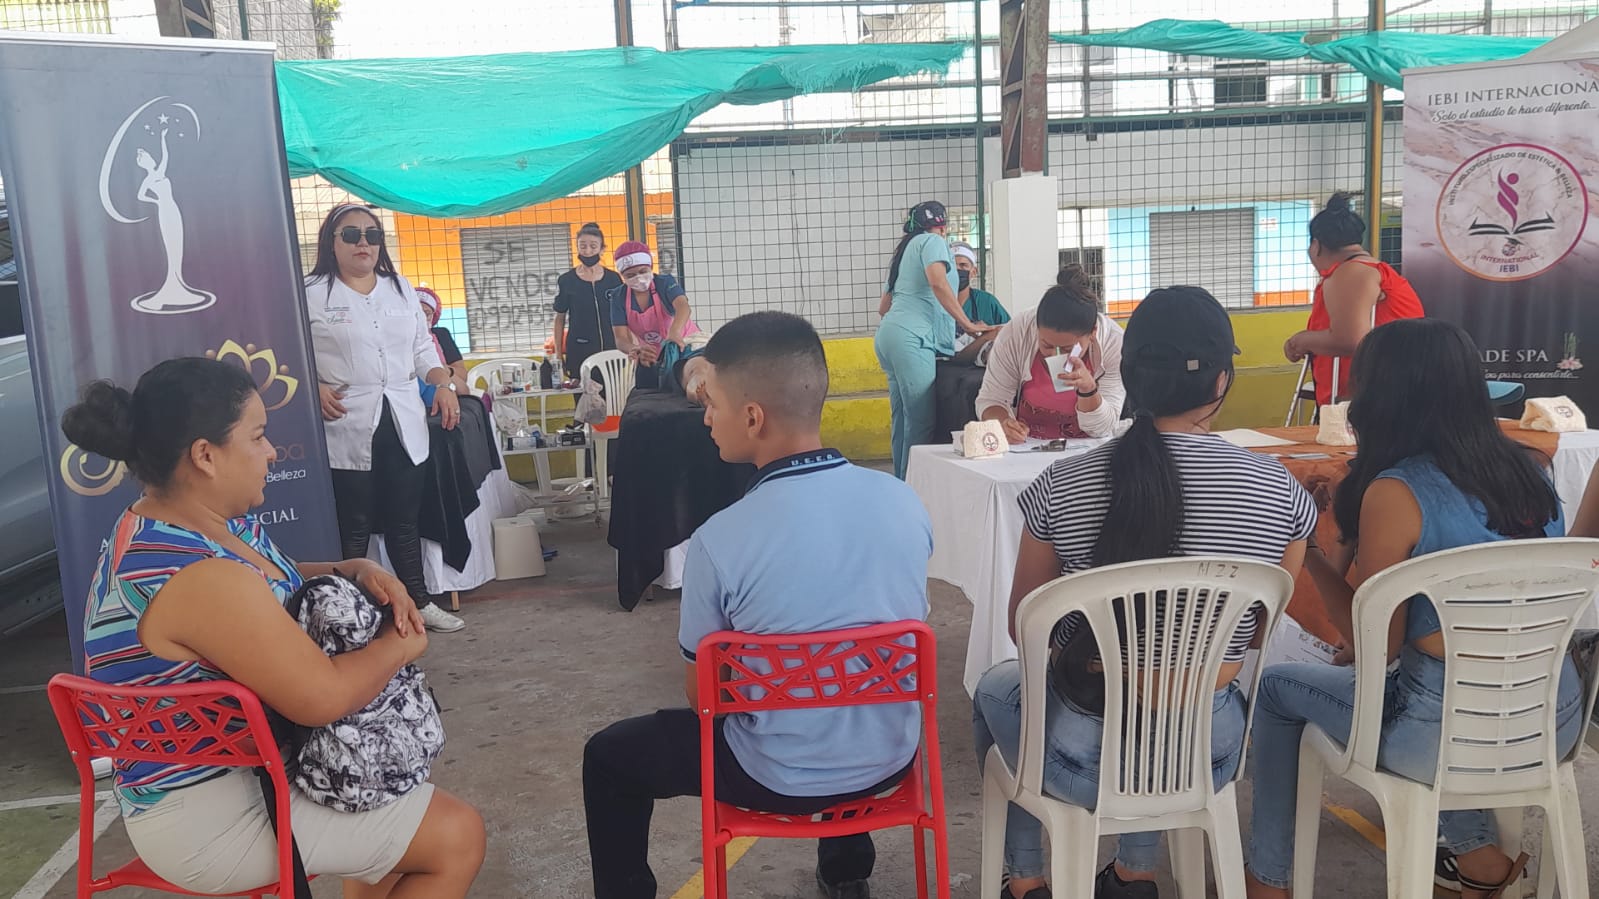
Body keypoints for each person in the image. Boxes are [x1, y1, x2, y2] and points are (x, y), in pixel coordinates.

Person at [63, 357, 485, 898]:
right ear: (205, 455)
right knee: (456, 836)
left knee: (384, 799)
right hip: (211, 813)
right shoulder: (197, 575)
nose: (271, 452)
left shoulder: (178, 523)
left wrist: (353, 568)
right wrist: (400, 645)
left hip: (238, 776)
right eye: (258, 436)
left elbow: (274, 581)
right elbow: (322, 697)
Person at [973, 287, 1316, 899]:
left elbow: (1025, 626)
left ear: (1125, 376)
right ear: (1222, 380)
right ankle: (1134, 873)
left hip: (1082, 755)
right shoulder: (1279, 488)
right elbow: (1259, 632)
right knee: (1176, 691)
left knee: (996, 686)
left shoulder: (1061, 483)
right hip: (1208, 751)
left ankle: (1026, 880)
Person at [583, 311, 932, 899]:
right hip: (889, 761)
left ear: (752, 417)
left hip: (771, 776)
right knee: (848, 674)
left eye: (711, 403)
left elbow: (704, 699)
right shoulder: (903, 502)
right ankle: (846, 873)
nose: (706, 417)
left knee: (608, 758)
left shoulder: (719, 539)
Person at [1244, 319, 1583, 899]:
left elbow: (1375, 649)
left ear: (1379, 399)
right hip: (1552, 717)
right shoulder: (1532, 469)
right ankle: (1476, 855)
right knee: (1449, 685)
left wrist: (1314, 555)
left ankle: (1267, 881)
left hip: (1437, 736)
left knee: (1277, 688)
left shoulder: (1395, 492)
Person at [304, 204, 467, 634]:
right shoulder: (310, 292)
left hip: (401, 417)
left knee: (404, 521)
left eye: (372, 235)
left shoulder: (400, 288)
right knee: (354, 525)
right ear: (331, 242)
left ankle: (419, 602)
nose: (363, 243)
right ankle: (346, 614)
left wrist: (444, 383)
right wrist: (312, 386)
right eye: (351, 234)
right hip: (346, 419)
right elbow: (289, 349)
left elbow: (422, 349)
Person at [875, 201, 987, 478]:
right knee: (920, 423)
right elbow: (937, 282)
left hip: (889, 336)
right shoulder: (933, 242)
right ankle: (914, 488)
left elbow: (883, 308)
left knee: (902, 420)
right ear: (943, 227)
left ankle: (901, 481)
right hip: (913, 338)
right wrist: (967, 324)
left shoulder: (904, 252)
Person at [1284, 192, 1425, 406]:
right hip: (1393, 388)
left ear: (1316, 246)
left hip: (1379, 396)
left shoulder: (1352, 272)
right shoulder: (1369, 270)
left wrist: (1301, 341)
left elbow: (1350, 339)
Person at [976, 265, 1127, 442]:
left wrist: (1088, 390)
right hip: (1027, 447)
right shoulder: (1017, 332)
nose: (1055, 355)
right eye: (1046, 345)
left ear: (1093, 332)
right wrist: (1003, 424)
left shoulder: (1114, 343)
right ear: (1036, 329)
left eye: (1067, 349)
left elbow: (1103, 428)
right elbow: (991, 398)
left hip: (1086, 448)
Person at [608, 239, 699, 380]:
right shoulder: (618, 297)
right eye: (630, 275)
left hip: (685, 345)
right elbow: (620, 338)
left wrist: (674, 332)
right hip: (651, 355)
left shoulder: (664, 283)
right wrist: (634, 349)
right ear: (622, 276)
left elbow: (683, 307)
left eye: (643, 271)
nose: (638, 278)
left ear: (651, 267)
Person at [554, 222, 624, 379]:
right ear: (577, 247)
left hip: (612, 348)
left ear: (602, 249)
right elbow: (560, 318)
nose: (587, 251)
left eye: (593, 246)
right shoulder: (566, 280)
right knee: (582, 392)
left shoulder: (613, 279)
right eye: (583, 246)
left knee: (613, 391)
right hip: (579, 350)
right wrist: (558, 354)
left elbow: (624, 314)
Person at [951, 241, 1009, 364]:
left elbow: (1009, 332)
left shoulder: (986, 302)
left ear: (974, 272)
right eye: (952, 265)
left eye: (963, 265)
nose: (957, 270)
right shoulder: (935, 304)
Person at [415, 286, 468, 393]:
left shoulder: (441, 335)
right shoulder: (398, 341)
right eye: (416, 313)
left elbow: (463, 380)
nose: (422, 318)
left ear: (434, 315)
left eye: (427, 313)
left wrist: (443, 370)